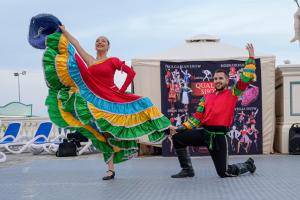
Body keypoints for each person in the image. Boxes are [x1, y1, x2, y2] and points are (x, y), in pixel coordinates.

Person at [28, 14, 170, 181]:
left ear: (108, 46)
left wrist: (121, 91)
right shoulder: (90, 60)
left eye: (103, 40)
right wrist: (65, 32)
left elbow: (131, 73)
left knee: (143, 103)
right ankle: (110, 170)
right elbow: (76, 44)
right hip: (96, 100)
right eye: (97, 40)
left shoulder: (112, 60)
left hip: (112, 98)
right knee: (103, 135)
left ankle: (169, 128)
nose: (100, 42)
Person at [169, 43, 257, 178]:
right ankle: (187, 170)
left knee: (224, 172)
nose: (217, 81)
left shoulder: (233, 92)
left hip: (219, 138)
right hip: (204, 133)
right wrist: (181, 127)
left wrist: (251, 58)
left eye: (221, 78)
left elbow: (245, 79)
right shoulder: (206, 97)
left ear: (227, 80)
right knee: (178, 138)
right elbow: (197, 117)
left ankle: (248, 165)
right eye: (215, 79)